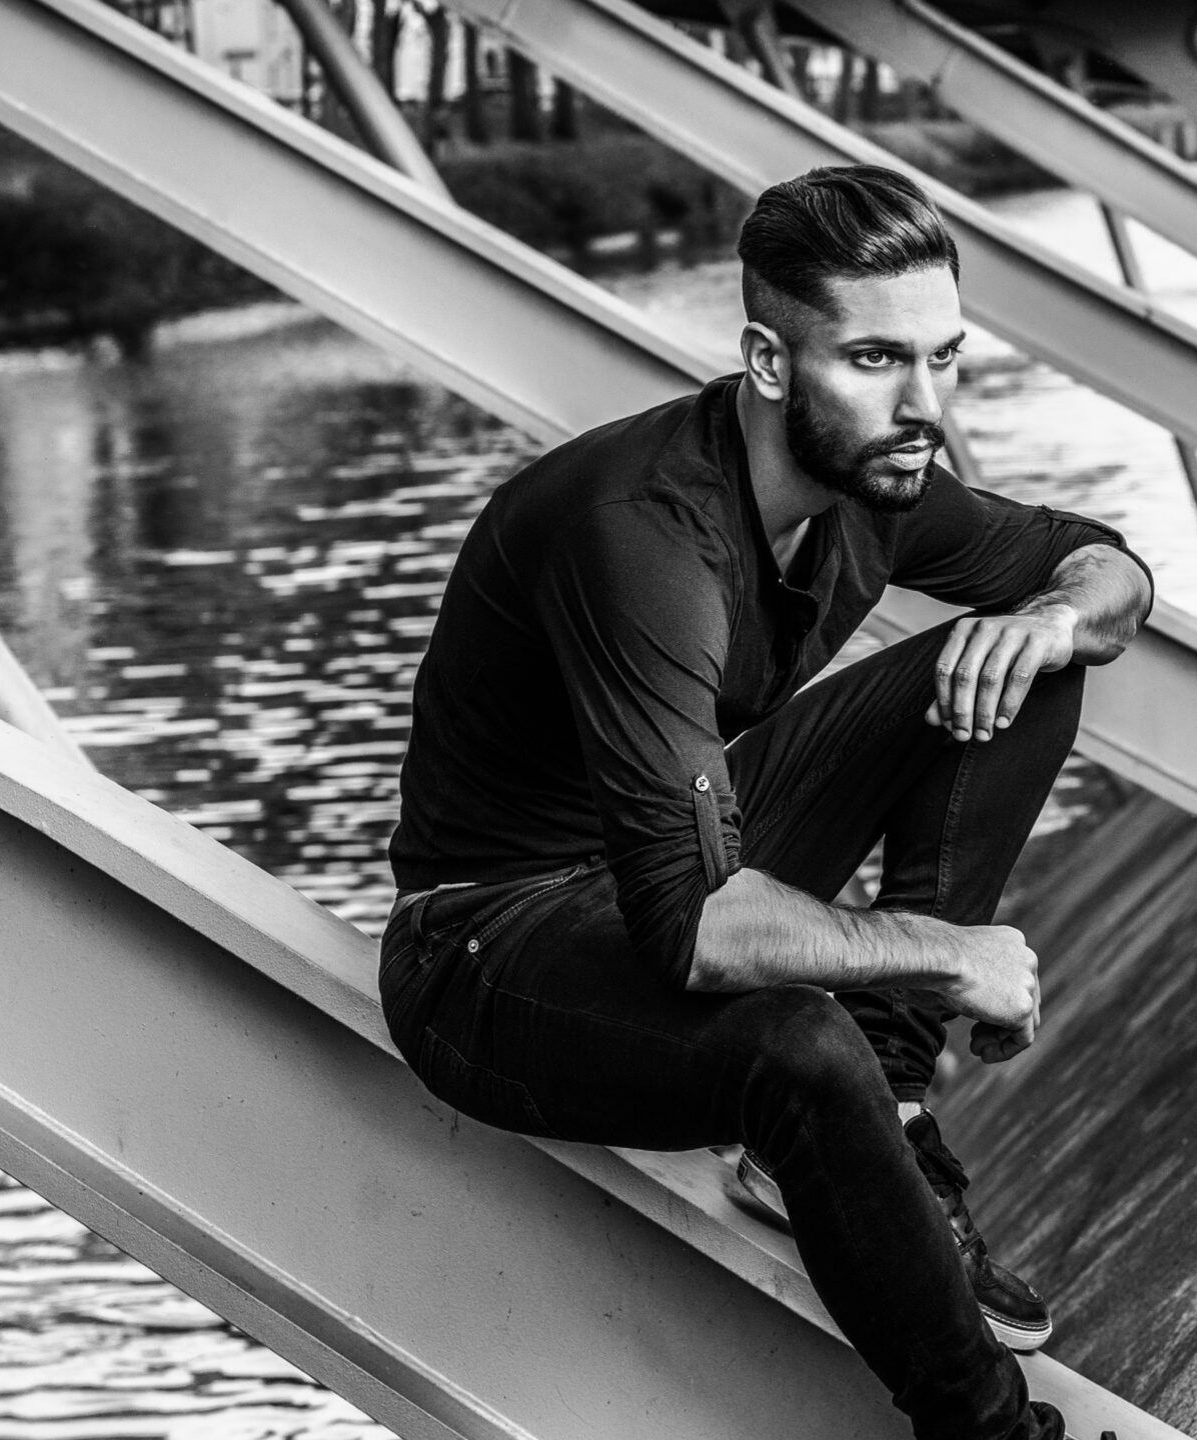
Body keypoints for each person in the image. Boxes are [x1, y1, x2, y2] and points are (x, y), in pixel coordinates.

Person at [381, 164, 1153, 1440]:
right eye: (875, 360)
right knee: (800, 1046)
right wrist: (947, 953)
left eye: (944, 359)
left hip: (658, 856)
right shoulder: (643, 535)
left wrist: (1057, 622)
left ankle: (895, 1107)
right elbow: (698, 929)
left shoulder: (875, 482)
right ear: (769, 361)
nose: (924, 407)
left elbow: (1108, 567)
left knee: (1027, 671)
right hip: (487, 947)